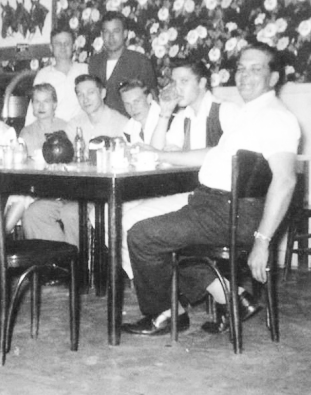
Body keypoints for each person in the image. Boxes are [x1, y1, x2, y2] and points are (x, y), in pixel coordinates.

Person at [122, 42, 301, 336]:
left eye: (255, 69)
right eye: (241, 68)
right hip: (211, 206)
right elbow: (212, 154)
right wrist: (160, 154)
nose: (244, 75)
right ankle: (231, 298)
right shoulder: (251, 112)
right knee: (160, 234)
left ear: (273, 78)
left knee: (142, 236)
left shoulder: (276, 117)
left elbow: (285, 180)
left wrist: (262, 241)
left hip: (230, 212)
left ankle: (167, 313)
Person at [118, 68, 238, 279]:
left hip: (219, 202)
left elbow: (218, 154)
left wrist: (167, 155)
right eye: (174, 82)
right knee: (124, 218)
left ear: (202, 83)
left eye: (184, 81)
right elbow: (156, 152)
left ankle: (158, 292)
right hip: (193, 195)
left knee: (132, 222)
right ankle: (152, 287)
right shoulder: (184, 117)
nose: (176, 88)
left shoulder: (227, 111)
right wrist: (164, 112)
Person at [22, 74, 128, 246]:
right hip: (72, 194)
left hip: (102, 196)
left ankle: (81, 268)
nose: (85, 98)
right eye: (80, 94)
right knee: (34, 213)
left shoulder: (121, 123)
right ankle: (60, 265)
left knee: (72, 213)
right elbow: (62, 154)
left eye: (90, 92)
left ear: (102, 93)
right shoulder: (74, 124)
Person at [5, 83, 67, 234]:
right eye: (36, 101)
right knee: (20, 194)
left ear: (55, 104)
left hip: (61, 186)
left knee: (21, 197)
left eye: (46, 101)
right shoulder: (26, 132)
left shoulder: (66, 128)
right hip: (34, 185)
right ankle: (0, 237)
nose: (41, 105)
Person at [88, 11, 158, 117]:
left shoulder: (139, 61)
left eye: (116, 31)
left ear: (125, 34)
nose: (111, 37)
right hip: (100, 126)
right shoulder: (94, 63)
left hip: (130, 126)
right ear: (102, 35)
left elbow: (152, 100)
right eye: (106, 32)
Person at [24, 27, 88, 125]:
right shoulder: (43, 75)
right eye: (58, 44)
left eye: (67, 43)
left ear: (74, 46)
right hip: (53, 133)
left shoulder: (85, 70)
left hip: (81, 131)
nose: (63, 47)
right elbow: (33, 111)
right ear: (51, 47)